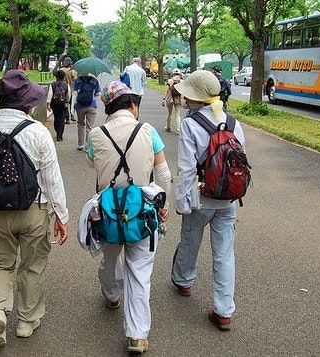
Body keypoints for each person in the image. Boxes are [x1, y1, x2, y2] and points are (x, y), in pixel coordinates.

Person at [0, 69, 69, 348]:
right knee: (32, 265)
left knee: (0, 261)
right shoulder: (38, 132)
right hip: (33, 210)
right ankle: (26, 321)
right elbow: (51, 178)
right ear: (27, 103)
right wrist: (61, 215)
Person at [86, 81, 172, 354]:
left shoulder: (95, 134)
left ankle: (112, 295)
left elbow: (93, 163)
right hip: (143, 212)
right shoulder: (148, 131)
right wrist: (163, 206)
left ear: (107, 107)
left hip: (108, 212)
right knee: (139, 271)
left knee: (110, 258)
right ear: (133, 105)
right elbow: (165, 175)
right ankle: (136, 335)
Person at [171, 70, 246, 331]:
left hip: (199, 199)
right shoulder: (235, 123)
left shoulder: (191, 125)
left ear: (193, 98)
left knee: (190, 241)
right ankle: (224, 311)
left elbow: (187, 169)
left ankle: (184, 281)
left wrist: (181, 202)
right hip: (227, 200)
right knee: (225, 254)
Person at [73, 74, 101, 151]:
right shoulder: (94, 80)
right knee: (90, 126)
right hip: (91, 105)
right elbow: (98, 93)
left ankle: (80, 144)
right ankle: (88, 146)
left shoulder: (77, 80)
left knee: (81, 125)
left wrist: (72, 107)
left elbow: (74, 93)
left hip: (80, 106)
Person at [47, 69, 71, 141]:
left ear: (56, 77)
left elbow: (50, 94)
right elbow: (68, 95)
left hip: (55, 104)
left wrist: (48, 104)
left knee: (56, 118)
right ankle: (59, 136)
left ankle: (57, 131)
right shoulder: (66, 85)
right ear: (63, 77)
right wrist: (67, 102)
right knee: (62, 120)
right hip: (63, 104)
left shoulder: (53, 84)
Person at [162, 68, 183, 134]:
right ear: (179, 74)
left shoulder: (170, 81)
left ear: (173, 74)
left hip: (170, 99)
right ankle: (178, 129)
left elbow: (166, 90)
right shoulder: (182, 82)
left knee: (169, 113)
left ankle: (168, 127)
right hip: (178, 99)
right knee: (178, 114)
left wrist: (164, 98)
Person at [60, 57, 78, 123]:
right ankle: (72, 116)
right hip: (72, 89)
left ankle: (67, 118)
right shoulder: (73, 71)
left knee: (65, 104)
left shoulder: (61, 70)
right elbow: (76, 80)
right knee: (72, 104)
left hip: (63, 90)